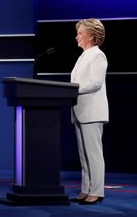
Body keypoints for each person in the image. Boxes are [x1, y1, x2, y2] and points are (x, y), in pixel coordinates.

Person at [69, 18, 108, 205]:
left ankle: (97, 191)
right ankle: (86, 189)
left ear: (91, 36)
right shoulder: (83, 55)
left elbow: (95, 83)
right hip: (79, 110)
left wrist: (71, 89)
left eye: (80, 33)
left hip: (92, 111)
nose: (77, 37)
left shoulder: (97, 55)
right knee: (83, 154)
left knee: (93, 153)